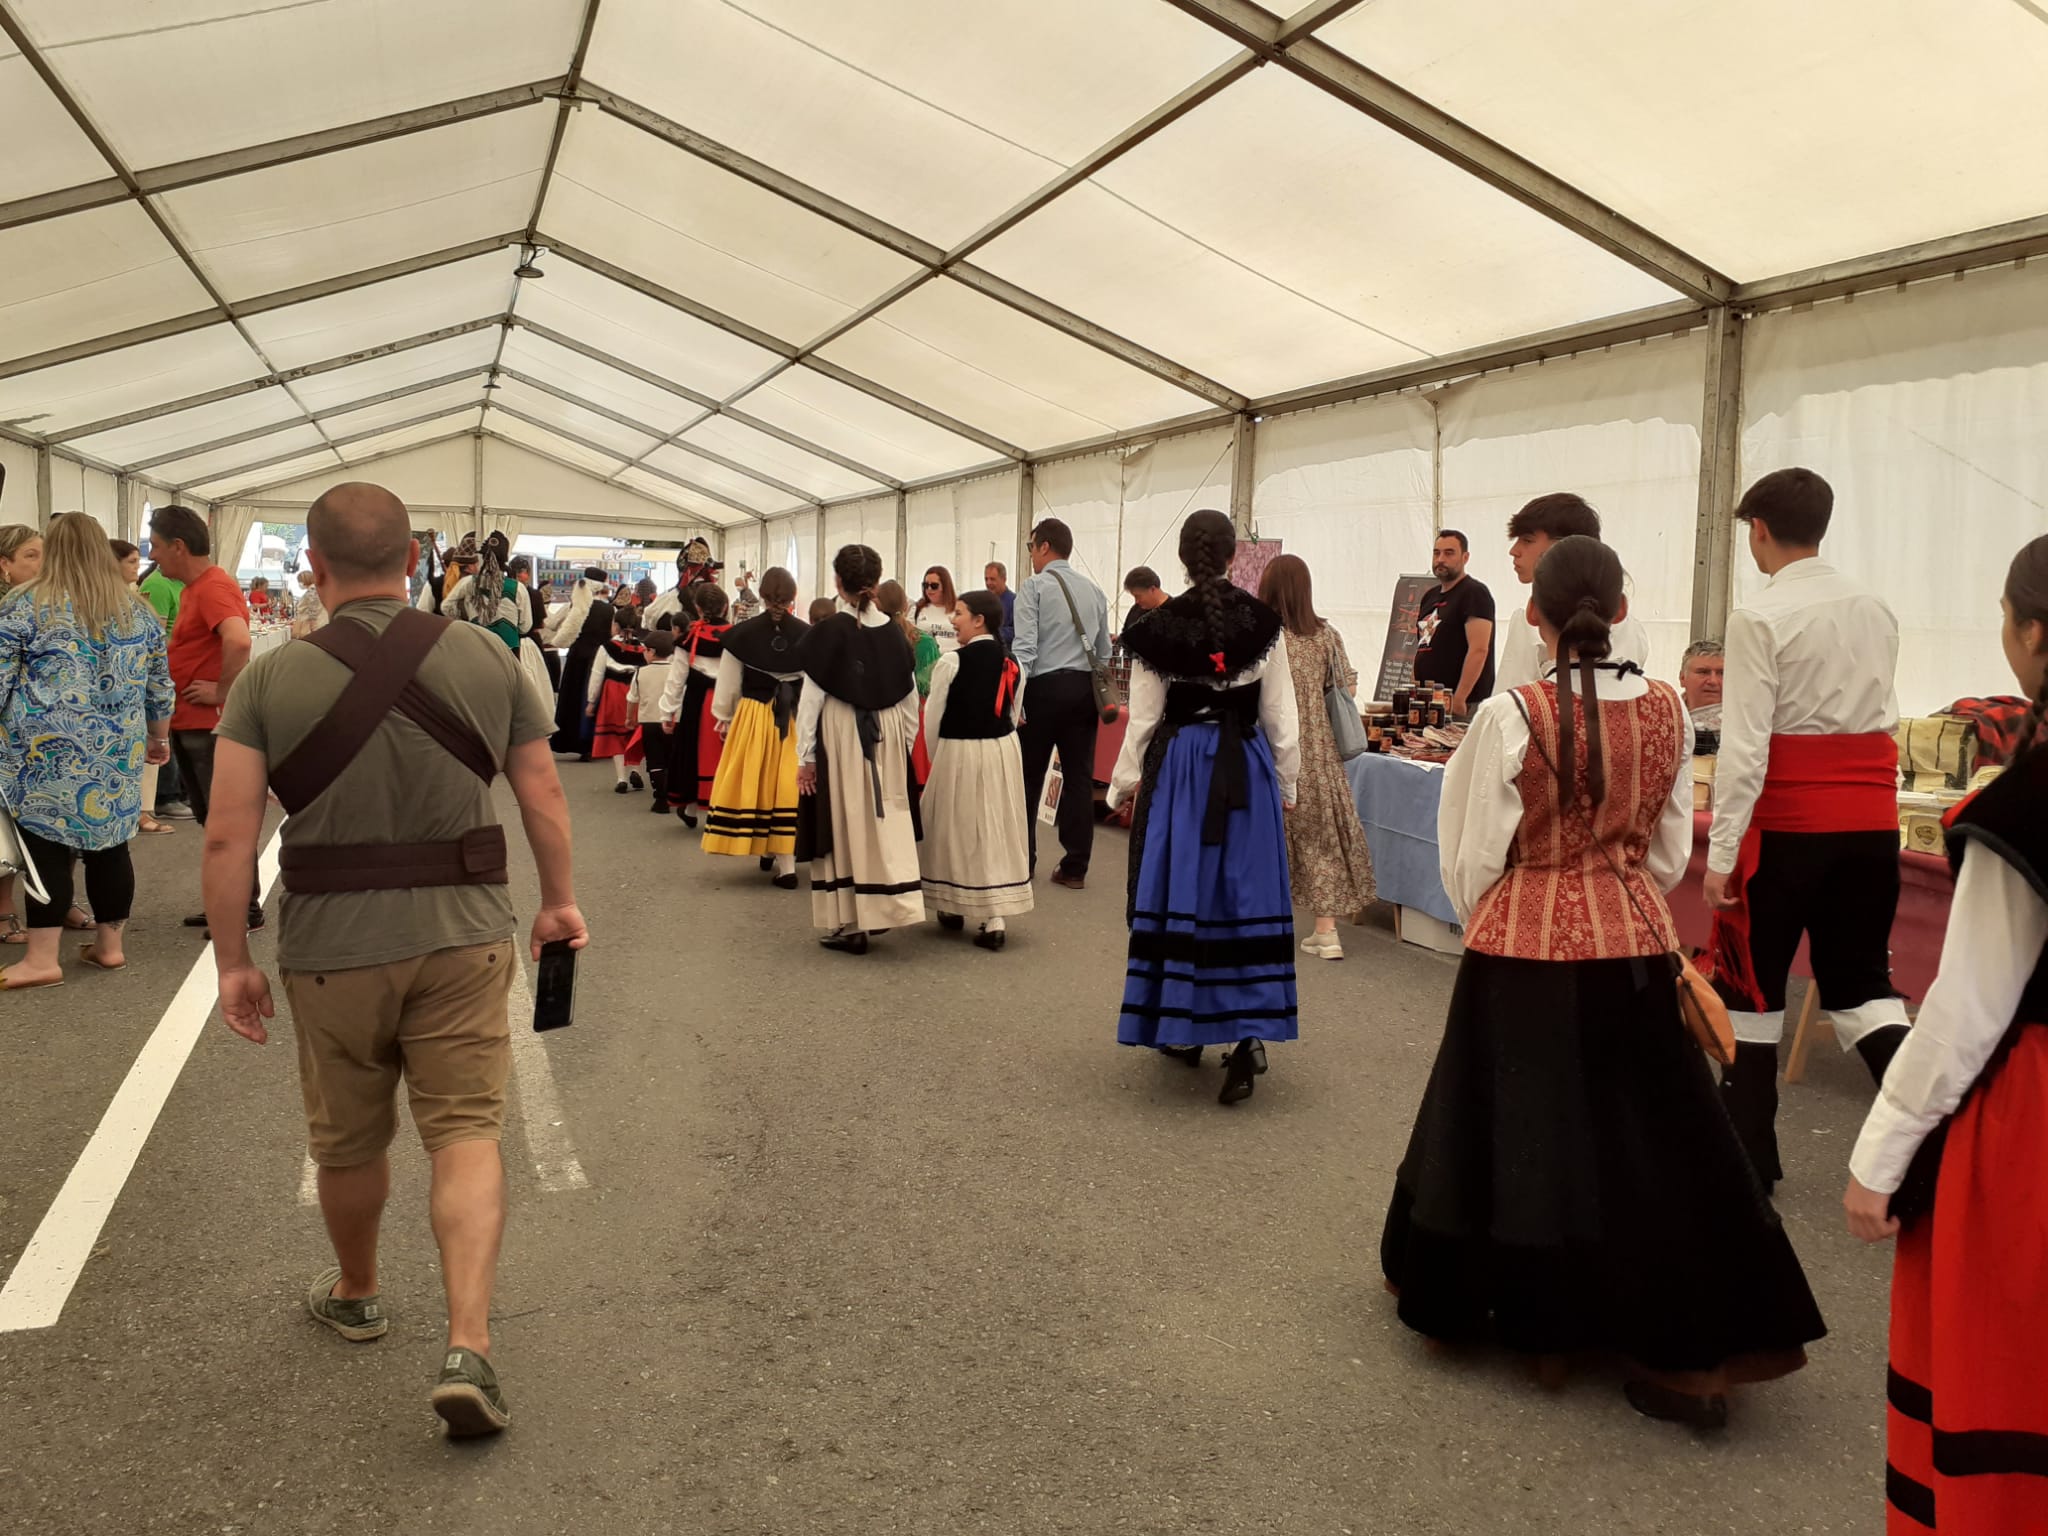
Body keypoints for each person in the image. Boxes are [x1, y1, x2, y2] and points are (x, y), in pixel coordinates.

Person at [1382, 535, 1825, 1428]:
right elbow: (1665, 854)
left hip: (1521, 946)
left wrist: (1503, 911)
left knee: (1520, 1130)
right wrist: (1616, 889)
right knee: (1647, 1134)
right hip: (1632, 944)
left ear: (1534, 616)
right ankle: (1679, 1337)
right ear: (1621, 610)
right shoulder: (1668, 708)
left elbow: (1470, 855)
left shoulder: (1512, 714)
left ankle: (1528, 1322)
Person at [201, 482, 583, 1437]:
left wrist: (232, 961)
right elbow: (542, 793)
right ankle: (469, 1345)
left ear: (312, 566)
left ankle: (359, 1291)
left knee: (348, 1138)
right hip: (463, 932)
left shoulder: (269, 681)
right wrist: (558, 902)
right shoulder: (487, 655)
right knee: (465, 1132)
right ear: (415, 560)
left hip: (331, 945)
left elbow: (228, 836)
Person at [1845, 533, 2048, 1534]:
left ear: (2033, 635)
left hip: (2030, 1130)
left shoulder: (2028, 807)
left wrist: (1877, 1161)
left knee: (2007, 1371)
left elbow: (1966, 1012)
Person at [1704, 468, 1908, 1190]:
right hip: (1872, 826)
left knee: (1753, 989)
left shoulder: (1760, 616)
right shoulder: (1875, 608)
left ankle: (1748, 1161)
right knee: (1862, 986)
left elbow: (1745, 747)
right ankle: (1934, 1134)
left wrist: (1721, 854)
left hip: (1787, 831)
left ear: (1758, 530)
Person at [1108, 510, 1299, 1105]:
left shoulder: (1155, 628)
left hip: (1184, 772)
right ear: (1233, 554)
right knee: (1244, 897)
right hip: (1246, 767)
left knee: (1187, 892)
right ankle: (1245, 1035)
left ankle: (1183, 1023)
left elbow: (1143, 720)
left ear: (1184, 559)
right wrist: (1287, 784)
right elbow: (1280, 717)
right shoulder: (1264, 624)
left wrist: (1121, 785)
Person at [0, 514, 173, 988]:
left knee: (46, 851)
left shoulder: (24, 606)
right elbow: (159, 686)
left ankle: (42, 960)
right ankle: (109, 948)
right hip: (117, 751)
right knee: (111, 848)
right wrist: (159, 737)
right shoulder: (137, 611)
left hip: (40, 754)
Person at [793, 545, 923, 954]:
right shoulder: (895, 633)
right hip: (887, 730)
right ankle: (882, 906)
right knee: (883, 817)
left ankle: (851, 921)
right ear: (876, 583)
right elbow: (910, 698)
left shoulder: (828, 632)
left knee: (846, 816)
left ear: (838, 582)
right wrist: (903, 745)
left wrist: (805, 757)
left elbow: (811, 698)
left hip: (842, 729)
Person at [149, 503, 263, 935]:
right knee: (213, 819)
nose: (153, 556)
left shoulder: (212, 586)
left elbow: (239, 640)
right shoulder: (196, 587)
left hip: (207, 724)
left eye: (157, 546)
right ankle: (231, 902)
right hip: (193, 721)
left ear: (178, 546)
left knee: (224, 820)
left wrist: (222, 691)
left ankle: (242, 908)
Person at [1258, 554, 1375, 959]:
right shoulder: (1326, 635)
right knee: (1322, 838)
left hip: (1269, 744)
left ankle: (1261, 923)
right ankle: (1326, 933)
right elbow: (1347, 689)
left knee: (1267, 835)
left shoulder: (1264, 635)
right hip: (1319, 750)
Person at [920, 589, 1032, 949]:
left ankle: (951, 902)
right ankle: (994, 915)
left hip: (960, 750)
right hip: (1002, 751)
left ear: (979, 620)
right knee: (996, 826)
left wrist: (938, 759)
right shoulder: (1013, 663)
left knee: (953, 826)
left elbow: (933, 718)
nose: (953, 620)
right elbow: (1013, 713)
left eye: (959, 613)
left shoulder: (952, 662)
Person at [1015, 518, 1112, 890]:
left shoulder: (1034, 587)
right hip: (1083, 692)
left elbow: (1025, 649)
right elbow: (1103, 652)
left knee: (1028, 778)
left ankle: (1022, 862)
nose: (1031, 555)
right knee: (1078, 779)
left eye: (1031, 547)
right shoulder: (1094, 591)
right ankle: (1074, 866)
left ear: (1043, 546)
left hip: (1042, 689)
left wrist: (1017, 700)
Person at [705, 567, 808, 886]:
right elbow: (815, 683)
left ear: (761, 596)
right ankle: (784, 861)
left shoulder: (742, 635)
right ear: (793, 597)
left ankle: (771, 852)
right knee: (786, 785)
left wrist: (724, 716)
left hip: (754, 715)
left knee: (757, 780)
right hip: (794, 717)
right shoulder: (806, 634)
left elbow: (728, 683)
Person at [1493, 494, 1652, 691]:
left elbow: (1510, 699)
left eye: (1527, 540)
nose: (1514, 550)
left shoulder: (1532, 622)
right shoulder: (1633, 628)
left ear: (1565, 546)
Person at [109, 540, 175, 838]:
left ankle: (143, 810)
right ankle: (140, 812)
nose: (138, 567)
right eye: (131, 561)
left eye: (138, 561)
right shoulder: (150, 592)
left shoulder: (136, 599)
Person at [659, 587, 730, 826]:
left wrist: (667, 712)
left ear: (697, 609)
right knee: (725, 755)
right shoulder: (737, 637)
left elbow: (676, 681)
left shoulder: (688, 640)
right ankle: (724, 808)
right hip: (729, 702)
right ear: (725, 607)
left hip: (696, 705)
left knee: (693, 753)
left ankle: (690, 809)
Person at [1412, 530, 1495, 716]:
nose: (1441, 559)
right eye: (1436, 553)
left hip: (1462, 704)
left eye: (1449, 553)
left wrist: (1460, 698)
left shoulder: (1475, 593)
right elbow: (1422, 648)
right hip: (1428, 702)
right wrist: (1415, 692)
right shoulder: (1429, 597)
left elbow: (1479, 650)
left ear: (1465, 557)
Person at [544, 568, 613, 759]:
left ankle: (570, 740)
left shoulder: (575, 605)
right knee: (592, 698)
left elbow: (552, 624)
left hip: (577, 657)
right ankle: (593, 743)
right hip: (599, 657)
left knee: (573, 698)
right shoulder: (609, 609)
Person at [586, 614, 647, 791]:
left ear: (616, 626)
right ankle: (635, 769)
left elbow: (597, 675)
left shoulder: (606, 648)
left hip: (613, 692)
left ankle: (621, 778)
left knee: (615, 736)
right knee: (634, 733)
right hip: (637, 692)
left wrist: (591, 701)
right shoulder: (643, 648)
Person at [629, 630, 676, 814]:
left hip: (648, 721)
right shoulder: (676, 672)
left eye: (645, 649)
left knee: (655, 760)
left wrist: (629, 718)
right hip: (672, 721)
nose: (643, 653)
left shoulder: (641, 672)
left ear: (652, 651)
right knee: (671, 758)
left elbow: (632, 698)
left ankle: (660, 797)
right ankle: (673, 792)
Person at [1678, 638, 1724, 732]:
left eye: (1721, 673)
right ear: (1682, 678)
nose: (1713, 681)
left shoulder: (1745, 723)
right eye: (1703, 672)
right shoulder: (1662, 718)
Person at [913, 566, 959, 654]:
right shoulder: (918, 608)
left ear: (945, 587)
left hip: (952, 658)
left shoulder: (958, 609)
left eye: (934, 586)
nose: (929, 589)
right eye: (925, 585)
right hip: (926, 659)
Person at [984, 561, 1015, 644]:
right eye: (986, 579)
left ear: (1004, 579)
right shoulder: (983, 601)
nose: (988, 583)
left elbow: (1017, 631)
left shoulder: (1015, 602)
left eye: (992, 579)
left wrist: (990, 634)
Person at [290, 570, 326, 639]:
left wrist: (313, 627)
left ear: (304, 580)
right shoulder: (315, 590)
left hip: (309, 625)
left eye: (299, 581)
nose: (299, 583)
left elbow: (312, 610)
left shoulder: (312, 591)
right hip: (314, 623)